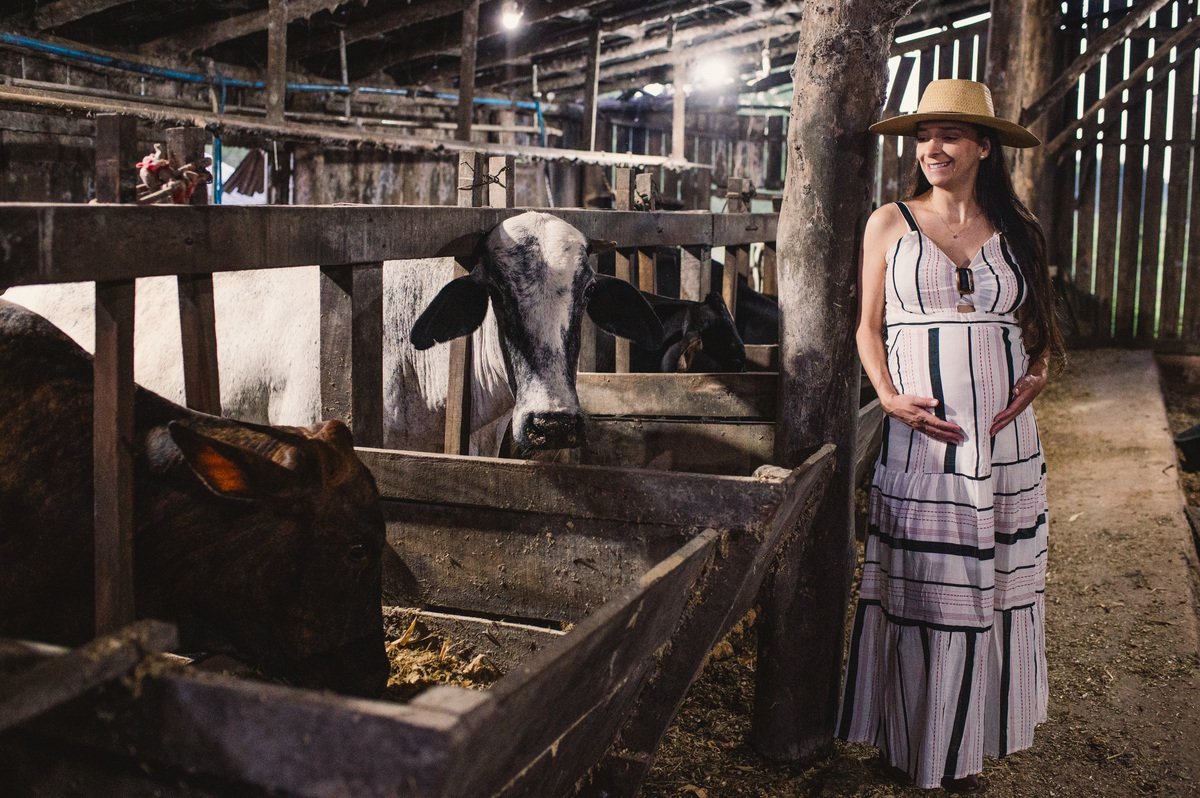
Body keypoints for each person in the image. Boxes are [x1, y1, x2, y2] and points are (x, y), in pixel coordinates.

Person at [838, 79, 1064, 793]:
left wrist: (1040, 372)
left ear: (982, 147)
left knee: (987, 591)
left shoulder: (1018, 231)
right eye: (923, 136)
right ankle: (908, 742)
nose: (933, 148)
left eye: (950, 136)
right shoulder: (889, 223)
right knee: (922, 588)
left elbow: (1041, 333)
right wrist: (887, 398)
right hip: (922, 444)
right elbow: (867, 328)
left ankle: (965, 745)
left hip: (1004, 448)